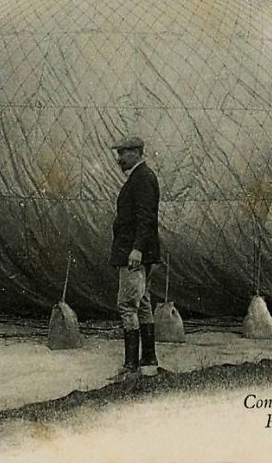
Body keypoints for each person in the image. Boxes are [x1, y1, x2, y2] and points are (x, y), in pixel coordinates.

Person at [109, 135, 161, 378]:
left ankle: (131, 367)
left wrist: (137, 249)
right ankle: (148, 363)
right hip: (138, 252)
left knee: (128, 305)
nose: (119, 159)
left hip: (135, 254)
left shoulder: (142, 179)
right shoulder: (141, 177)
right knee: (143, 304)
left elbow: (146, 217)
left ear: (136, 152)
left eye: (122, 153)